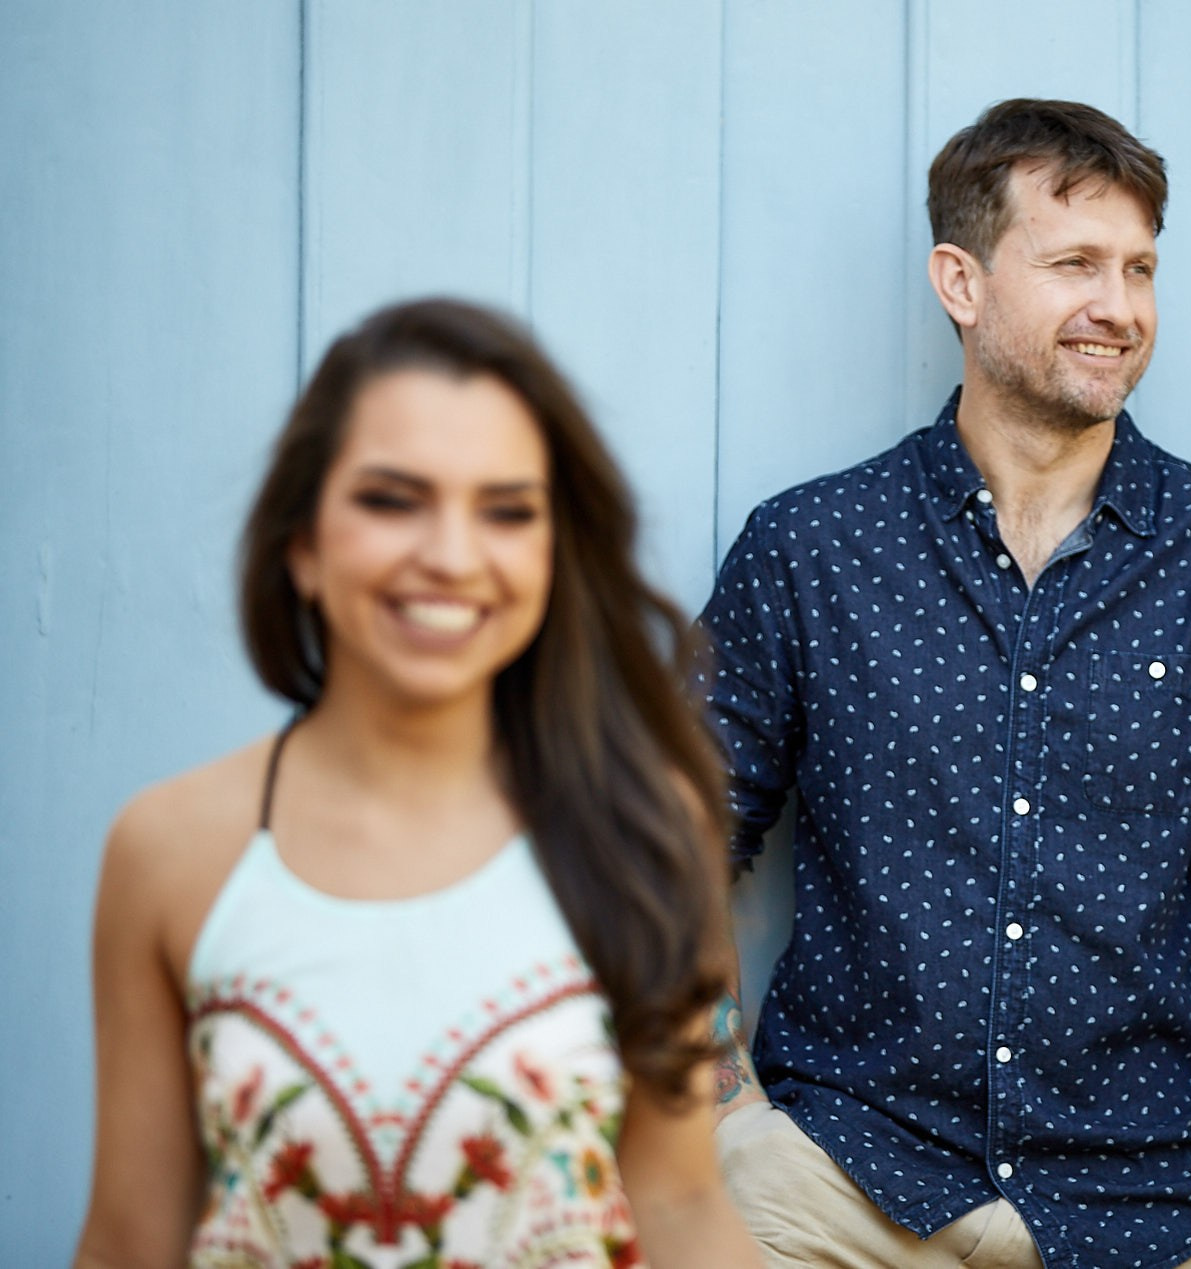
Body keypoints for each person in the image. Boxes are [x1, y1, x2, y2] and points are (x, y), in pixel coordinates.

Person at [704, 99, 1191, 1269]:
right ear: (961, 281)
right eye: (1073, 264)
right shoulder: (811, 548)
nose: (1119, 307)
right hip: (833, 1192)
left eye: (1139, 269)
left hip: (1136, 1217)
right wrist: (731, 1125)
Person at [73, 299, 763, 1268]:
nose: (449, 556)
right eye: (392, 500)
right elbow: (129, 1239)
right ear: (302, 542)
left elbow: (680, 1204)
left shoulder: (641, 826)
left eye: (507, 511)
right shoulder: (170, 849)